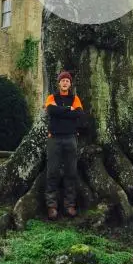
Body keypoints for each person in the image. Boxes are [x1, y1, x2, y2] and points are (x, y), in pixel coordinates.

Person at [44, 70, 84, 220]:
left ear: (70, 84)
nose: (65, 82)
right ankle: (51, 205)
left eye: (67, 81)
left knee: (71, 172)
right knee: (52, 171)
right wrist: (68, 110)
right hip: (54, 138)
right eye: (63, 80)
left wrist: (62, 112)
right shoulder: (51, 98)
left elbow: (79, 114)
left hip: (70, 138)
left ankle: (69, 204)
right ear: (59, 83)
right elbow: (51, 110)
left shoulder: (75, 99)